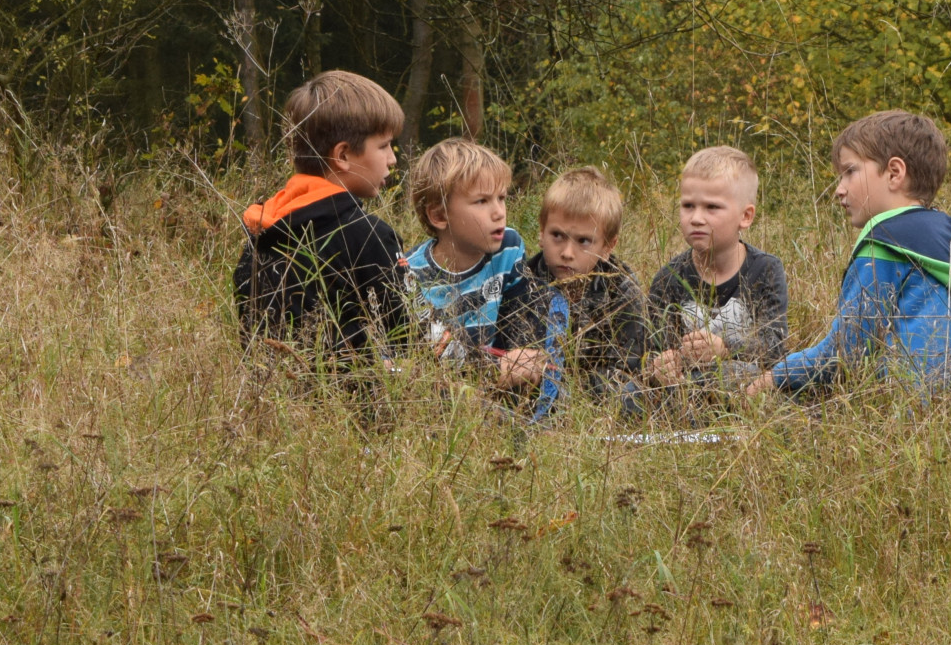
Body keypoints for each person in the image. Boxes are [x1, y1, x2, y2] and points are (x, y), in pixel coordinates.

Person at [745, 110, 951, 400]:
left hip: (911, 409)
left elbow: (848, 349)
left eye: (849, 172)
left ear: (894, 173)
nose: (839, 190)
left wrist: (774, 376)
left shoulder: (883, 246)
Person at [233, 70, 407, 364]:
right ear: (343, 156)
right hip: (358, 401)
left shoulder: (263, 232)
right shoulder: (368, 236)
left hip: (273, 400)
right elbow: (408, 335)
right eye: (384, 146)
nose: (392, 158)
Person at [499, 167, 647, 409]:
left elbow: (628, 369)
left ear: (608, 246)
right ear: (541, 232)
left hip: (595, 400)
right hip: (531, 393)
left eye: (583, 241)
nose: (567, 253)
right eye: (557, 235)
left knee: (633, 397)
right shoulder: (522, 282)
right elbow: (512, 355)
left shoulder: (621, 288)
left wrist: (570, 392)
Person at [648, 146, 789, 395]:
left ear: (745, 216)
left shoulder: (765, 269)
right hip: (681, 390)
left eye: (712, 207)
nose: (696, 218)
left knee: (733, 374)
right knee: (630, 393)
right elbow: (652, 348)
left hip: (743, 387)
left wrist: (725, 348)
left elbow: (775, 347)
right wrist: (662, 365)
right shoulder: (669, 277)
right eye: (688, 206)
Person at [401, 137, 528, 368]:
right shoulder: (411, 275)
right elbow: (427, 357)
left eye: (501, 198)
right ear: (439, 216)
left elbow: (520, 323)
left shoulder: (509, 248)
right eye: (482, 201)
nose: (499, 212)